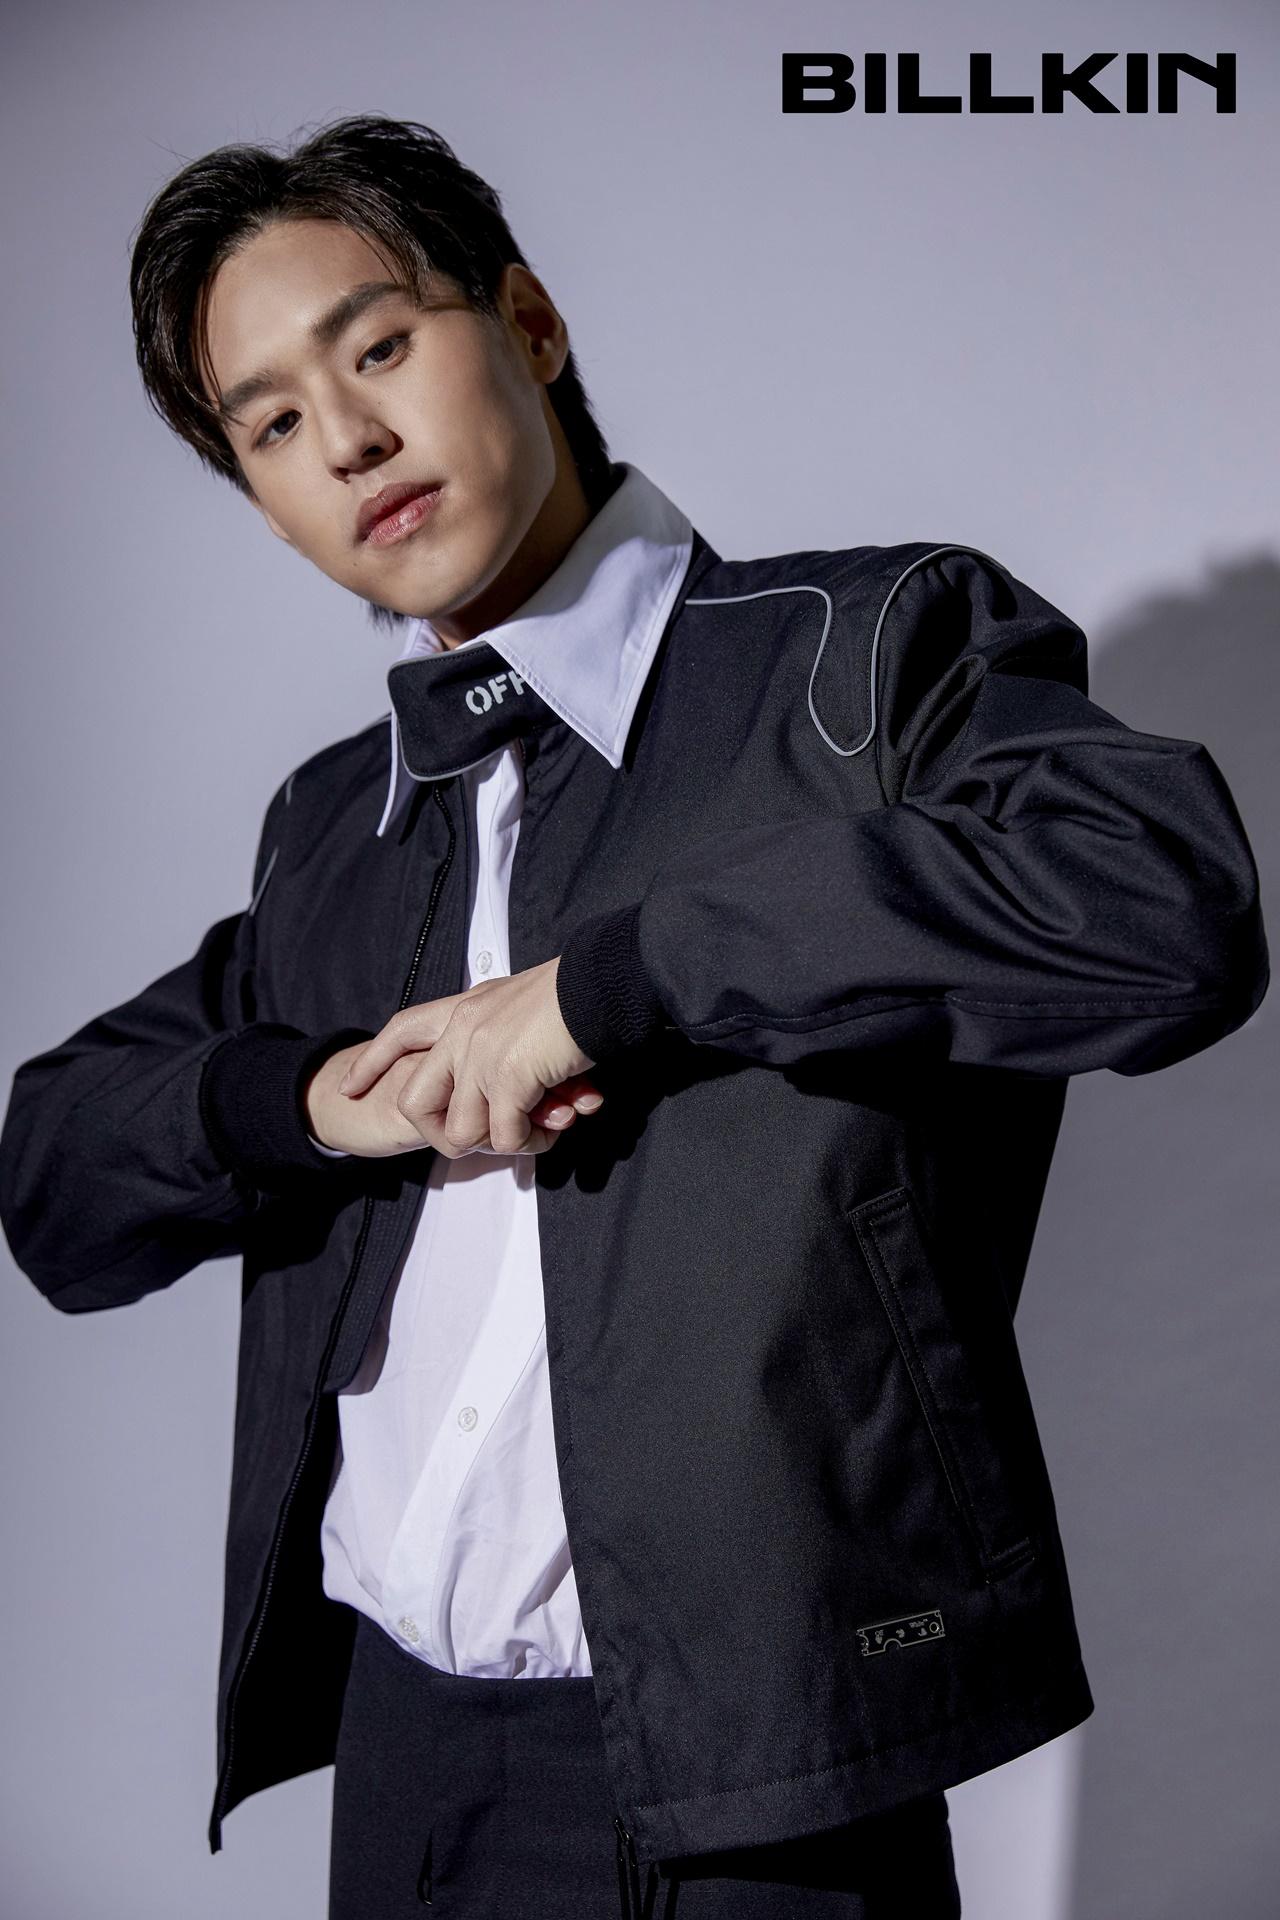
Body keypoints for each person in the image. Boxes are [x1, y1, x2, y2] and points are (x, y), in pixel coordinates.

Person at [0, 113, 1268, 1920]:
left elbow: (1163, 905)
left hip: (769, 1779)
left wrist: (613, 991)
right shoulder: (335, 829)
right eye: (270, 424)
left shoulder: (860, 655)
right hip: (407, 1772)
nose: (348, 439)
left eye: (380, 346)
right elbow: (55, 1175)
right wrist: (312, 1104)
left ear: (526, 323)